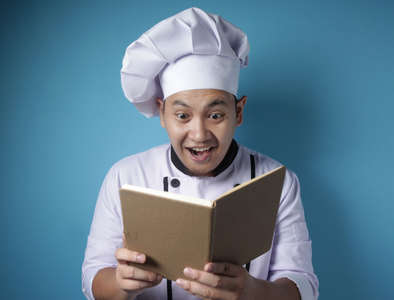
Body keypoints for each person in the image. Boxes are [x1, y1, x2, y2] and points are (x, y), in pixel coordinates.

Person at [82, 7, 319, 300]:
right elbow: (94, 279)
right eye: (182, 115)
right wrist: (122, 282)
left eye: (216, 115)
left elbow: (303, 288)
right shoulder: (126, 176)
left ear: (239, 112)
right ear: (162, 113)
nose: (199, 134)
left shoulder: (278, 181)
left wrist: (251, 290)